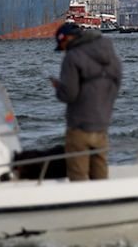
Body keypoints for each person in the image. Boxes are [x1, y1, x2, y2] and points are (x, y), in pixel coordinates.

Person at [50, 21, 122, 181]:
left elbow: (69, 95)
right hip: (102, 126)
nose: (64, 50)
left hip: (79, 127)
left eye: (62, 46)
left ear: (67, 38)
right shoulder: (110, 54)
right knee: (100, 178)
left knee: (78, 177)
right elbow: (115, 86)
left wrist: (59, 87)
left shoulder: (72, 57)